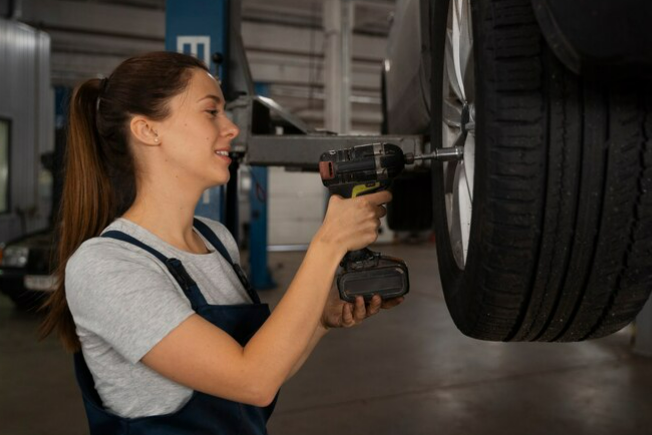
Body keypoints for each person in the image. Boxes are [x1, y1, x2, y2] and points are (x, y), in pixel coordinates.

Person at [40, 51, 402, 434]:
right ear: (148, 130)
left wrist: (320, 320)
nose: (230, 128)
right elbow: (252, 380)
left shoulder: (216, 239)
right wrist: (328, 243)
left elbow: (261, 373)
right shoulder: (106, 267)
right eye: (211, 112)